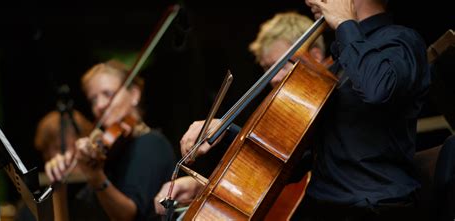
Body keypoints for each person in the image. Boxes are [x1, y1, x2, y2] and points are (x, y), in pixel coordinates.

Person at [174, 0, 432, 220]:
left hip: (373, 210)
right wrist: (225, 131)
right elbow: (294, 159)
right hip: (323, 209)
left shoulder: (401, 41)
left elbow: (377, 89)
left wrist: (344, 23)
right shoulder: (339, 62)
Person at [153, 11, 327, 216]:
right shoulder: (284, 110)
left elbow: (295, 165)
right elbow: (259, 179)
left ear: (315, 55)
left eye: (282, 64)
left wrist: (226, 130)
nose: (273, 77)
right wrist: (202, 186)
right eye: (267, 68)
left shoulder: (335, 96)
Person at [44, 59, 176, 221]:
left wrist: (96, 177)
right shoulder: (110, 153)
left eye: (108, 94)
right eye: (93, 99)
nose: (99, 105)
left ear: (134, 94)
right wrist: (61, 177)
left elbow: (130, 216)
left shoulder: (151, 144)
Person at [14, 109, 93, 221]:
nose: (68, 155)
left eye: (75, 146)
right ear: (46, 153)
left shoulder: (97, 190)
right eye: (59, 148)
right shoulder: (32, 207)